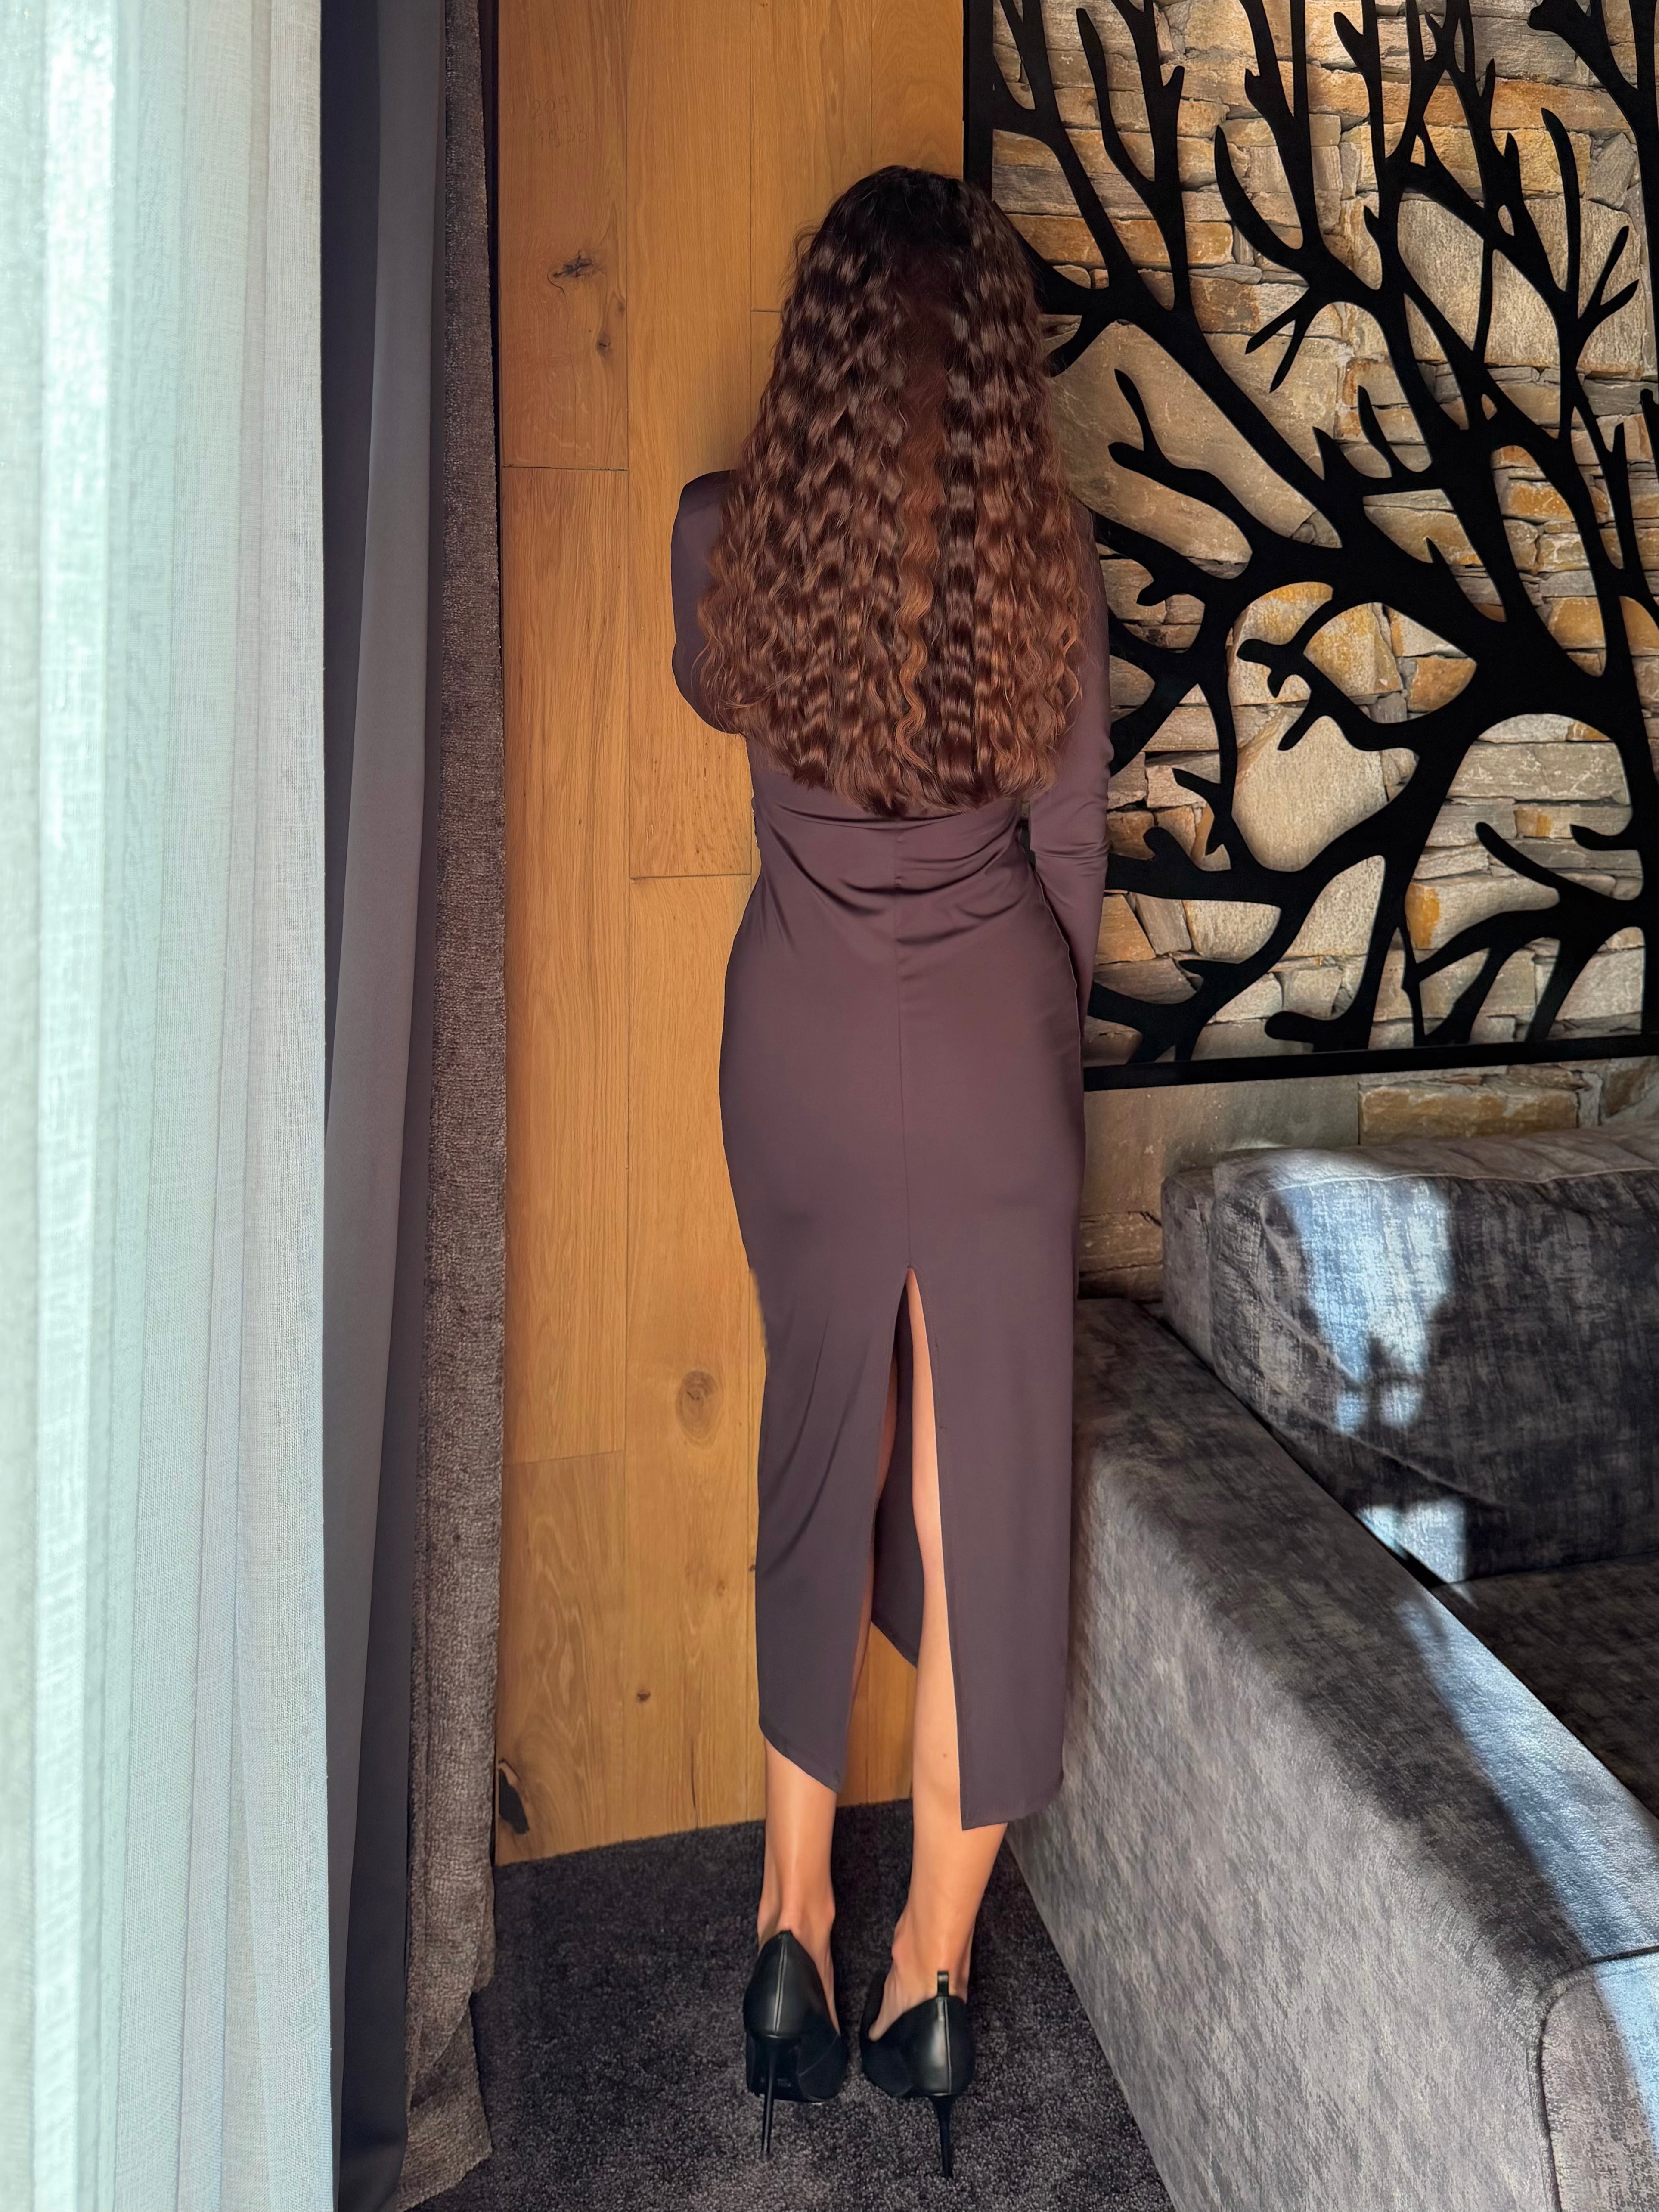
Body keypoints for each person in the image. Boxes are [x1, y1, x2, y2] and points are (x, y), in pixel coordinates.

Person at [668, 164, 1112, 2181]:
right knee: (976, 1497)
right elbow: (1071, 850)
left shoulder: (728, 539)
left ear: (824, 349)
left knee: (816, 1453)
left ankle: (787, 1926)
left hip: (803, 1047)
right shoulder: (1047, 567)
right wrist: (1018, 1046)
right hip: (994, 1050)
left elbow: (720, 690)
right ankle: (929, 1975)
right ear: (1000, 377)